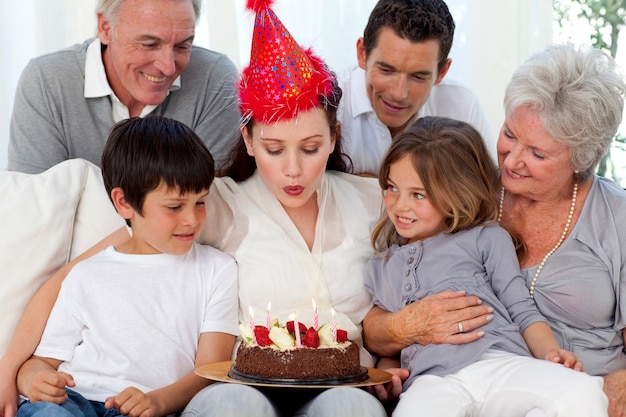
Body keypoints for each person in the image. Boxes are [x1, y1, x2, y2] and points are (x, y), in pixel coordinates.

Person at [1, 1, 406, 416]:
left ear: (334, 137)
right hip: (244, 385)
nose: (293, 170)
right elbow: (90, 268)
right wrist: (11, 370)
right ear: (248, 140)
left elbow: (400, 294)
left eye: (311, 148)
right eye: (273, 148)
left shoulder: (375, 200)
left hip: (346, 382)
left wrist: (392, 365)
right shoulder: (212, 203)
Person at [363, 43, 626, 416]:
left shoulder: (617, 218)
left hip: (571, 387)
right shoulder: (455, 194)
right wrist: (404, 330)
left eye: (537, 153)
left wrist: (617, 387)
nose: (513, 160)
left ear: (581, 158)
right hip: (451, 379)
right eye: (510, 134)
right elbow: (378, 321)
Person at [14, 116, 239, 417]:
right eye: (174, 207)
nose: (192, 219)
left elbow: (211, 369)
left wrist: (159, 401)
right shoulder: (86, 274)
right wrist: (34, 381)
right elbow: (42, 362)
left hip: (147, 408)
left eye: (200, 202)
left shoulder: (216, 270)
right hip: (75, 400)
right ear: (124, 203)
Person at [7, 0, 240, 174]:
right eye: (149, 44)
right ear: (105, 28)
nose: (168, 67)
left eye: (182, 47)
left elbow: (209, 211)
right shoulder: (46, 81)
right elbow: (35, 215)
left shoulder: (215, 80)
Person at [338, 0, 495, 176]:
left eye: (418, 77)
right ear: (362, 53)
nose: (398, 93)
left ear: (442, 72)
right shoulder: (329, 103)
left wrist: (356, 184)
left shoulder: (461, 106)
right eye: (386, 70)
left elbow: (488, 192)